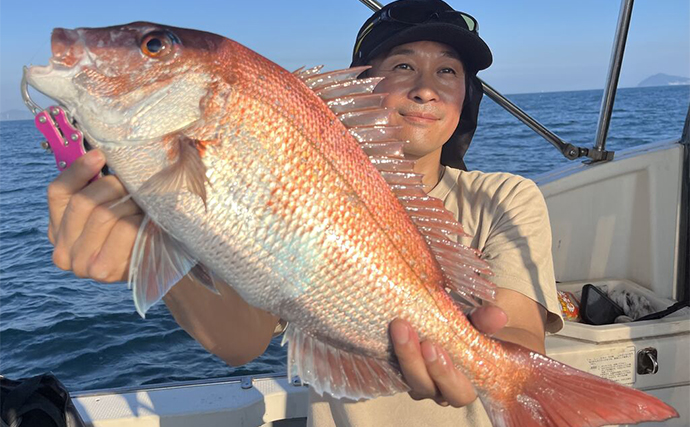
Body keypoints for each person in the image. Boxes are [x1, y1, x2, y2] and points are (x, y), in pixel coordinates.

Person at [45, 0, 563, 425]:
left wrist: (487, 364)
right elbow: (240, 343)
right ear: (362, 87)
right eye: (402, 65)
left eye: (447, 70)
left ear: (466, 96)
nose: (425, 87)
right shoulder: (283, 179)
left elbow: (519, 337)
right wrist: (152, 229)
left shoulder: (505, 197)